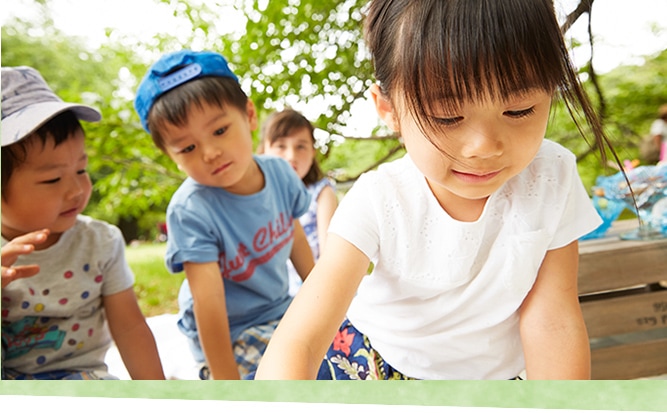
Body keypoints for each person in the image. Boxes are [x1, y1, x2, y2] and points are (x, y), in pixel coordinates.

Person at [256, 0, 615, 380]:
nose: (484, 146)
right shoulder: (379, 198)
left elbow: (552, 319)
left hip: (494, 381)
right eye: (447, 117)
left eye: (520, 110)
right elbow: (302, 338)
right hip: (376, 362)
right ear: (389, 109)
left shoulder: (551, 176)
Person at [133, 50, 314, 380]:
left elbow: (297, 240)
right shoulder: (191, 210)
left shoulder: (280, 174)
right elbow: (209, 305)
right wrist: (227, 385)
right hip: (231, 332)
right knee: (287, 381)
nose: (210, 153)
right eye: (187, 148)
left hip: (279, 307)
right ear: (169, 155)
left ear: (249, 115)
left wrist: (321, 304)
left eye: (219, 131)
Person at [0, 66, 165, 380]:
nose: (77, 190)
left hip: (83, 379)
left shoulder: (100, 242)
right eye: (52, 179)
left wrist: (160, 396)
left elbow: (130, 329)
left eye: (81, 169)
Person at [258, 109, 339, 296]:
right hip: (269, 295)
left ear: (313, 152)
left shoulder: (321, 193)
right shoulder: (257, 196)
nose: (291, 155)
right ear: (264, 150)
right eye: (280, 146)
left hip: (315, 289)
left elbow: (331, 255)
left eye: (300, 146)